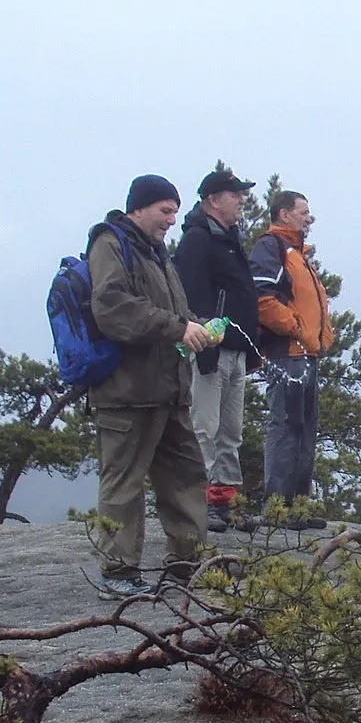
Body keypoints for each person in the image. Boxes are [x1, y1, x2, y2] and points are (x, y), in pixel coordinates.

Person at [87, 174, 217, 595]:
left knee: (186, 475)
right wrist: (177, 328)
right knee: (124, 483)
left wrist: (196, 326)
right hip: (127, 393)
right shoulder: (110, 244)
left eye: (176, 212)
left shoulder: (156, 252)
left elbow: (171, 310)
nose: (171, 220)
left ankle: (188, 561)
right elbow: (112, 307)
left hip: (169, 389)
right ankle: (117, 572)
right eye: (165, 211)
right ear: (138, 207)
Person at [175, 170, 262, 533]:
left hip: (236, 351)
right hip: (210, 351)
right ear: (213, 199)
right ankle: (198, 503)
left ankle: (225, 501)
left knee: (230, 431)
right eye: (234, 194)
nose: (241, 200)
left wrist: (251, 348)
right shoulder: (197, 239)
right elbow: (189, 296)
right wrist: (202, 347)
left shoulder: (228, 239)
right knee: (204, 428)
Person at [250, 189, 335, 523]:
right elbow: (262, 298)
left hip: (306, 354)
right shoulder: (271, 248)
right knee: (286, 427)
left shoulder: (299, 255)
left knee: (303, 429)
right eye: (303, 211)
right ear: (283, 214)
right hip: (287, 354)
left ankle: (296, 508)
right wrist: (297, 328)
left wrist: (320, 337)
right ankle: (276, 509)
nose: (309, 218)